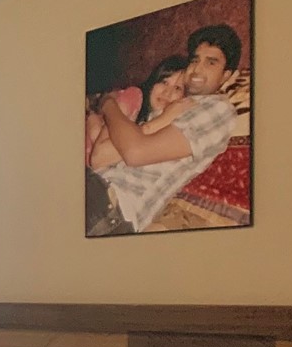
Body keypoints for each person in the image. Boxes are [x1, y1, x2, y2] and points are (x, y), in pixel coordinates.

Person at [84, 24, 243, 235]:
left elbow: (135, 152)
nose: (197, 69)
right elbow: (100, 158)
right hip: (97, 191)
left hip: (115, 208)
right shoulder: (169, 111)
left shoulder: (217, 109)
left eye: (211, 62)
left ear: (226, 76)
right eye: (195, 60)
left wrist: (108, 104)